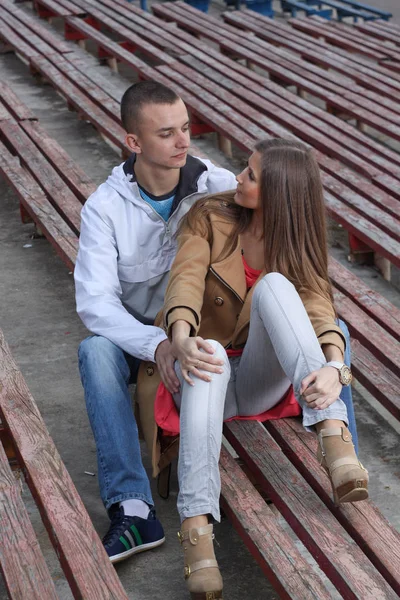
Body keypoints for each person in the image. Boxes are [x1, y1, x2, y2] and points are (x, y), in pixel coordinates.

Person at [155, 139, 369, 599]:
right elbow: (187, 277)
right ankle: (196, 529)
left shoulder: (294, 240)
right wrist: (179, 337)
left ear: (279, 194)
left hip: (254, 379)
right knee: (210, 347)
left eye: (250, 175)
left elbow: (317, 307)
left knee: (277, 284)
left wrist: (335, 367)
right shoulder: (209, 216)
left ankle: (332, 433)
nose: (237, 178)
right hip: (201, 373)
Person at [74, 80, 237, 563]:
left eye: (186, 128)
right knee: (94, 350)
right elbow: (96, 305)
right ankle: (133, 508)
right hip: (139, 334)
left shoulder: (218, 186)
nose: (183, 142)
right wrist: (157, 344)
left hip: (206, 329)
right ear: (133, 142)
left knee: (330, 324)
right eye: (166, 134)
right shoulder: (105, 208)